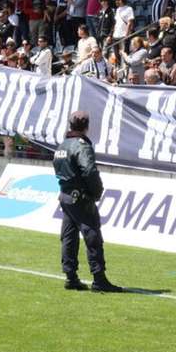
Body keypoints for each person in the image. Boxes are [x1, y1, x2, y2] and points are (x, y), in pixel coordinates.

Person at [52, 111, 123, 294]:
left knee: (69, 237)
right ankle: (99, 278)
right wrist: (97, 192)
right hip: (81, 198)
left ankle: (71, 276)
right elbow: (89, 171)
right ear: (86, 126)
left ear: (70, 124)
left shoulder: (62, 145)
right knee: (92, 237)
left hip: (65, 195)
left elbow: (58, 168)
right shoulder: (81, 146)